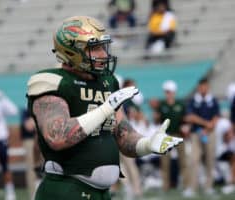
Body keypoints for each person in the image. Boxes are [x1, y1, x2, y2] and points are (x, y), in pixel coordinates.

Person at [26, 16, 183, 199]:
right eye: (94, 48)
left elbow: (123, 136)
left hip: (102, 194)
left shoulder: (107, 82)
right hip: (66, 190)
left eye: (103, 47)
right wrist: (104, 110)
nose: (103, 54)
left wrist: (147, 144)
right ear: (71, 51)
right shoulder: (53, 82)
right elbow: (57, 136)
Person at [184, 78, 220, 197]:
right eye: (201, 86)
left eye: (205, 86)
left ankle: (208, 186)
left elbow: (216, 116)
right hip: (196, 134)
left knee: (210, 160)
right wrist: (206, 124)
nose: (203, 88)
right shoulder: (194, 100)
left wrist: (208, 128)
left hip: (210, 133)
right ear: (199, 87)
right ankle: (192, 187)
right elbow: (190, 117)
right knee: (194, 160)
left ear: (208, 87)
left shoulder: (213, 100)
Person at [156, 80, 188, 191]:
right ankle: (165, 186)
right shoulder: (162, 105)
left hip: (178, 135)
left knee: (183, 161)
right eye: (166, 92)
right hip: (166, 136)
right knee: (165, 163)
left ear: (173, 92)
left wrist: (186, 128)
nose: (167, 94)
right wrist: (155, 111)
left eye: (169, 91)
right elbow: (157, 120)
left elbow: (185, 120)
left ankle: (186, 185)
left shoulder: (180, 105)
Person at [20, 108, 43, 199]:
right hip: (31, 140)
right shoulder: (26, 110)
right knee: (32, 168)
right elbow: (28, 126)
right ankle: (33, 195)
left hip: (42, 139)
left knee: (44, 167)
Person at [215, 118, 235, 194]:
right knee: (223, 164)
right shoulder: (226, 139)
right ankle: (229, 182)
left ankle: (231, 183)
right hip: (227, 155)